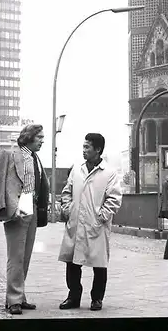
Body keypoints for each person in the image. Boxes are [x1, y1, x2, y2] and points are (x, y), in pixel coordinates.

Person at [58, 133, 122, 311]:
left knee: (99, 263)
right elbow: (66, 192)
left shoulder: (109, 173)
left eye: (87, 147)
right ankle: (73, 296)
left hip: (96, 225)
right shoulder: (77, 170)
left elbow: (114, 198)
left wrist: (101, 216)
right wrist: (68, 209)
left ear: (98, 149)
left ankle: (97, 298)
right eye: (83, 146)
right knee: (72, 262)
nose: (84, 150)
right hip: (76, 222)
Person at [0, 124, 49, 315]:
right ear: (29, 137)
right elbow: (0, 182)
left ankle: (19, 296)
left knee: (25, 257)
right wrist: (10, 208)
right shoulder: (10, 154)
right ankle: (13, 300)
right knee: (15, 257)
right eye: (39, 137)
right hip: (17, 209)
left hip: (32, 208)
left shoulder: (36, 158)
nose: (42, 140)